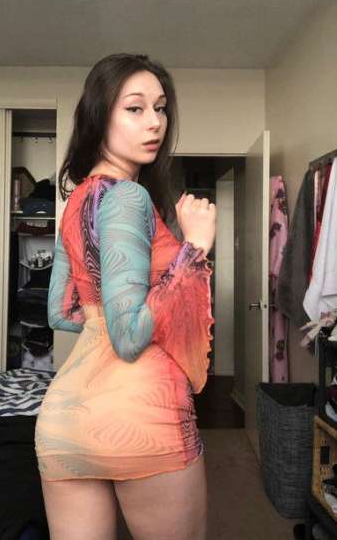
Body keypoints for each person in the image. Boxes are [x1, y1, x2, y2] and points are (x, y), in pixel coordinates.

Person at [35, 53, 216, 540]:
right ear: (99, 117)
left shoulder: (75, 201)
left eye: (160, 108)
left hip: (66, 417)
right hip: (142, 416)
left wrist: (107, 314)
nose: (154, 122)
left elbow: (61, 312)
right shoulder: (129, 197)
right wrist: (195, 247)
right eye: (135, 108)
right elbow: (130, 336)